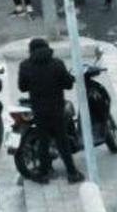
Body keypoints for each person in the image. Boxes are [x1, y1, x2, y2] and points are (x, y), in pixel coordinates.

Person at [17, 38, 82, 183]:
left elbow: (22, 87)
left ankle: (44, 172)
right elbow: (68, 84)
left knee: (43, 141)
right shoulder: (57, 63)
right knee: (62, 141)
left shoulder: (25, 65)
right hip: (57, 108)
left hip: (38, 109)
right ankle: (72, 173)